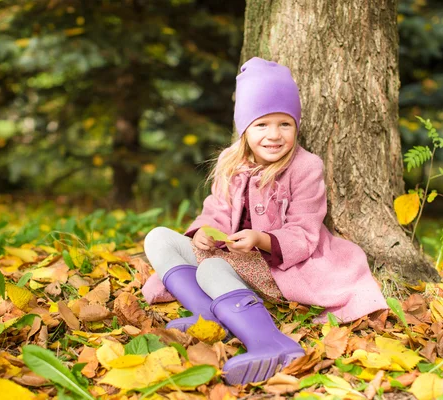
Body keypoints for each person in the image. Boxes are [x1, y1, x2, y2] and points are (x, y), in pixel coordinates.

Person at [142, 57, 388, 385]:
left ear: (296, 126)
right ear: (245, 128)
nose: (274, 135)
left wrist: (261, 240)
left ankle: (270, 343)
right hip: (230, 254)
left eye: (284, 124)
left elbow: (304, 231)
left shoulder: (305, 167)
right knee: (158, 237)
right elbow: (214, 210)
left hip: (277, 267)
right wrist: (203, 231)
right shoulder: (232, 163)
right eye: (261, 124)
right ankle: (209, 316)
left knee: (211, 269)